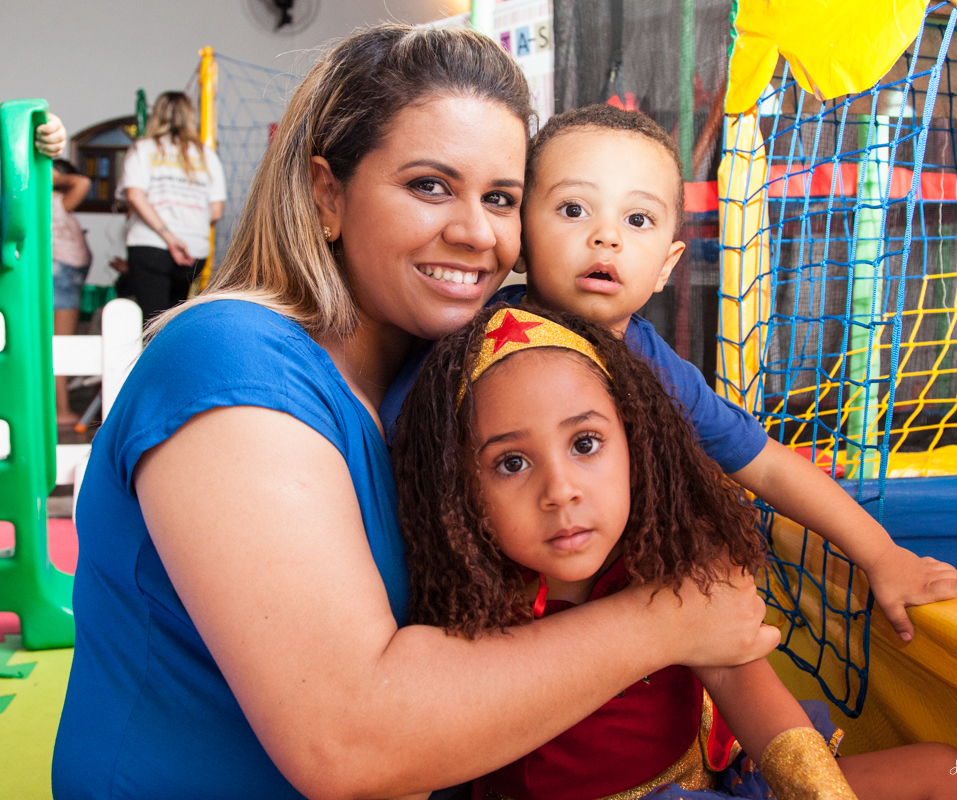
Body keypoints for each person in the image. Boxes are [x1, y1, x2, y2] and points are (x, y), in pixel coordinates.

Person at [53, 25, 775, 800]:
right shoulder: (230, 359)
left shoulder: (435, 392)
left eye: (500, 198)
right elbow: (347, 739)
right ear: (327, 194)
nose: (474, 233)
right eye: (430, 186)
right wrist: (666, 621)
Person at [382, 103, 957, 645]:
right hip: (486, 622)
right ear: (521, 238)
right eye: (573, 209)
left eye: (638, 221)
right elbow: (397, 445)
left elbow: (768, 463)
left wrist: (880, 555)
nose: (605, 237)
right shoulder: (477, 343)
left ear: (669, 264)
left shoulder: (656, 367)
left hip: (617, 626)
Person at [393, 304, 957, 800]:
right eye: (512, 463)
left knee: (950, 772)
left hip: (716, 777)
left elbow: (748, 692)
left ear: (636, 446)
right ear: (460, 492)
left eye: (586, 443)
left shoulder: (670, 559)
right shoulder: (468, 602)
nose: (561, 490)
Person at [116, 91, 226, 321]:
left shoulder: (143, 149)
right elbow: (216, 211)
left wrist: (168, 236)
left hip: (150, 244)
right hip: (193, 249)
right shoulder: (207, 155)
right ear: (190, 115)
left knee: (151, 322)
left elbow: (135, 195)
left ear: (157, 114)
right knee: (174, 322)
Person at [50, 159, 92, 425]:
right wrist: (51, 178)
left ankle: (59, 408)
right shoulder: (53, 201)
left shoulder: (56, 207)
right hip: (60, 277)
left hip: (65, 277)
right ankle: (59, 410)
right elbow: (83, 182)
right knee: (60, 346)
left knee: (59, 345)